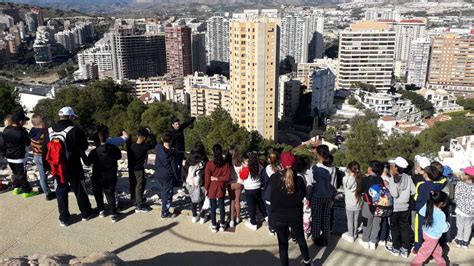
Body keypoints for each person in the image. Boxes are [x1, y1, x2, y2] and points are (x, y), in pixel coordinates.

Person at [44, 107, 93, 226]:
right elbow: (84, 146)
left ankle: (64, 218)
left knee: (61, 191)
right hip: (73, 166)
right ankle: (86, 213)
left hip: (57, 167)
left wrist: (48, 168)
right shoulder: (75, 130)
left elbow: (45, 150)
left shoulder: (49, 130)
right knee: (79, 189)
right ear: (70, 117)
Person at [270, 152, 311, 266]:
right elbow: (302, 195)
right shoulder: (299, 180)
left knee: (283, 245)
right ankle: (307, 262)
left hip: (278, 216)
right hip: (295, 215)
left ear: (281, 164)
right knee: (301, 239)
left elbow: (270, 195)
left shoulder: (274, 178)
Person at [83, 125, 122, 223]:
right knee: (110, 194)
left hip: (98, 175)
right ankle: (113, 213)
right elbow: (119, 157)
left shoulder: (94, 152)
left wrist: (82, 154)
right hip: (111, 175)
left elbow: (87, 163)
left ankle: (101, 210)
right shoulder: (114, 148)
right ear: (108, 136)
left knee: (98, 193)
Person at [386, 157, 415, 258]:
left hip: (395, 209)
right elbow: (413, 191)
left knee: (394, 228)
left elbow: (394, 194)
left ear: (396, 167)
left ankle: (396, 248)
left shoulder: (392, 179)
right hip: (405, 208)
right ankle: (405, 250)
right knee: (404, 228)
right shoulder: (409, 178)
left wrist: (388, 186)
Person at [413, 166, 447, 253]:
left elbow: (416, 197)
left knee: (419, 231)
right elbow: (444, 181)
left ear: (425, 174)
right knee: (430, 230)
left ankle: (417, 248)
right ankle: (431, 249)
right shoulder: (438, 185)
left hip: (421, 211)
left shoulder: (420, 184)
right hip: (432, 211)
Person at [411, 191, 450, 266]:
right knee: (424, 252)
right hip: (433, 236)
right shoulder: (440, 214)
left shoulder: (428, 205)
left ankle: (441, 262)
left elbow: (421, 212)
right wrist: (448, 225)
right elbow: (443, 228)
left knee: (436, 250)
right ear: (441, 203)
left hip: (426, 232)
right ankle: (415, 264)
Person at [3, 112, 38, 198]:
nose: (25, 123)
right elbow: (28, 143)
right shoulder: (22, 132)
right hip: (19, 157)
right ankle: (27, 191)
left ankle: (17, 187)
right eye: (24, 121)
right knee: (22, 174)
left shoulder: (6, 129)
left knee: (15, 173)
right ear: (20, 121)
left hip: (9, 156)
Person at [310, 145, 337, 247]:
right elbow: (334, 184)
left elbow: (310, 184)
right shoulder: (332, 168)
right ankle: (325, 237)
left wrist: (308, 197)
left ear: (318, 154)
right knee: (326, 217)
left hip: (317, 195)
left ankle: (316, 237)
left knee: (316, 217)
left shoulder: (315, 168)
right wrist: (333, 195)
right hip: (328, 196)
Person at [126, 127, 156, 213]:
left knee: (134, 183)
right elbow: (154, 143)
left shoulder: (130, 145)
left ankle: (135, 199)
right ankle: (139, 205)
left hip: (131, 168)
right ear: (145, 137)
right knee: (139, 185)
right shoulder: (144, 146)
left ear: (137, 135)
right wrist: (151, 134)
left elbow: (127, 138)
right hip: (139, 169)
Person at [204, 144, 231, 233]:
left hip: (212, 187)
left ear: (213, 152)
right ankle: (222, 224)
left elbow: (207, 179)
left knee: (213, 207)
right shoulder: (226, 164)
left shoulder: (209, 164)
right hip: (221, 187)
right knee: (221, 205)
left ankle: (214, 225)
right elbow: (227, 177)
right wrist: (219, 179)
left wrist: (206, 188)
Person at [358, 160, 384, 250]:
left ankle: (365, 240)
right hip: (379, 205)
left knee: (366, 222)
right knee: (377, 223)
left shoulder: (365, 180)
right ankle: (373, 242)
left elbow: (361, 191)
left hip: (367, 204)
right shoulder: (380, 180)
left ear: (370, 169)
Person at [154, 130, 179, 219]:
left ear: (161, 139)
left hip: (158, 173)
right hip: (167, 175)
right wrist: (178, 178)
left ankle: (164, 207)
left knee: (163, 191)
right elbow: (174, 167)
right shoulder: (171, 153)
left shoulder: (158, 147)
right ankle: (165, 213)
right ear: (171, 140)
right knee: (167, 194)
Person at [29, 114, 55, 201]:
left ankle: (48, 194)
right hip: (45, 157)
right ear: (42, 122)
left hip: (36, 156)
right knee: (55, 173)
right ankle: (58, 190)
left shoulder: (32, 131)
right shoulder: (45, 133)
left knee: (42, 176)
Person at [240, 151, 267, 230]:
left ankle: (253, 222)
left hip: (249, 189)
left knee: (251, 206)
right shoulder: (260, 166)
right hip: (258, 188)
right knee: (260, 203)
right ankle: (267, 217)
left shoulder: (246, 168)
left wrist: (244, 167)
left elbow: (242, 177)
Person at [182, 142, 207, 223]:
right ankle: (202, 217)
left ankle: (194, 216)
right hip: (201, 183)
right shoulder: (204, 160)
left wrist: (185, 183)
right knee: (201, 201)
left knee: (193, 201)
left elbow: (184, 171)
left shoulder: (189, 160)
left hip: (190, 184)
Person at [170, 117, 196, 183]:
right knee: (175, 167)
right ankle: (175, 181)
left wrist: (193, 118)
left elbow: (187, 123)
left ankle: (179, 180)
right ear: (172, 125)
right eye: (176, 124)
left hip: (181, 152)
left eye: (178, 124)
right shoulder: (171, 133)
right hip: (175, 153)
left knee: (180, 166)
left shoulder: (180, 128)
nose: (178, 125)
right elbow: (170, 144)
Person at [342, 161, 363, 243]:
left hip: (349, 204)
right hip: (358, 203)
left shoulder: (345, 178)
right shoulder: (360, 178)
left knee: (350, 221)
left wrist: (350, 175)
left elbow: (348, 185)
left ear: (349, 169)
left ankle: (351, 236)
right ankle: (354, 233)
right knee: (356, 220)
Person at [454, 166, 474, 248]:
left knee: (460, 225)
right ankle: (465, 242)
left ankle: (459, 240)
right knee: (468, 226)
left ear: (467, 175)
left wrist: (459, 204)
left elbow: (456, 197)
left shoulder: (460, 184)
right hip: (471, 211)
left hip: (460, 210)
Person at [295, 155, 312, 239]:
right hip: (307, 198)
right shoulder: (310, 172)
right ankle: (306, 231)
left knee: (298, 215)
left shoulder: (295, 174)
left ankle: (297, 231)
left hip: (297, 198)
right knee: (307, 215)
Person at [227, 145, 244, 227]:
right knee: (238, 201)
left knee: (232, 201)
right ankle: (237, 217)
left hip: (230, 183)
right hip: (239, 183)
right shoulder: (241, 163)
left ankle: (232, 220)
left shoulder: (228, 163)